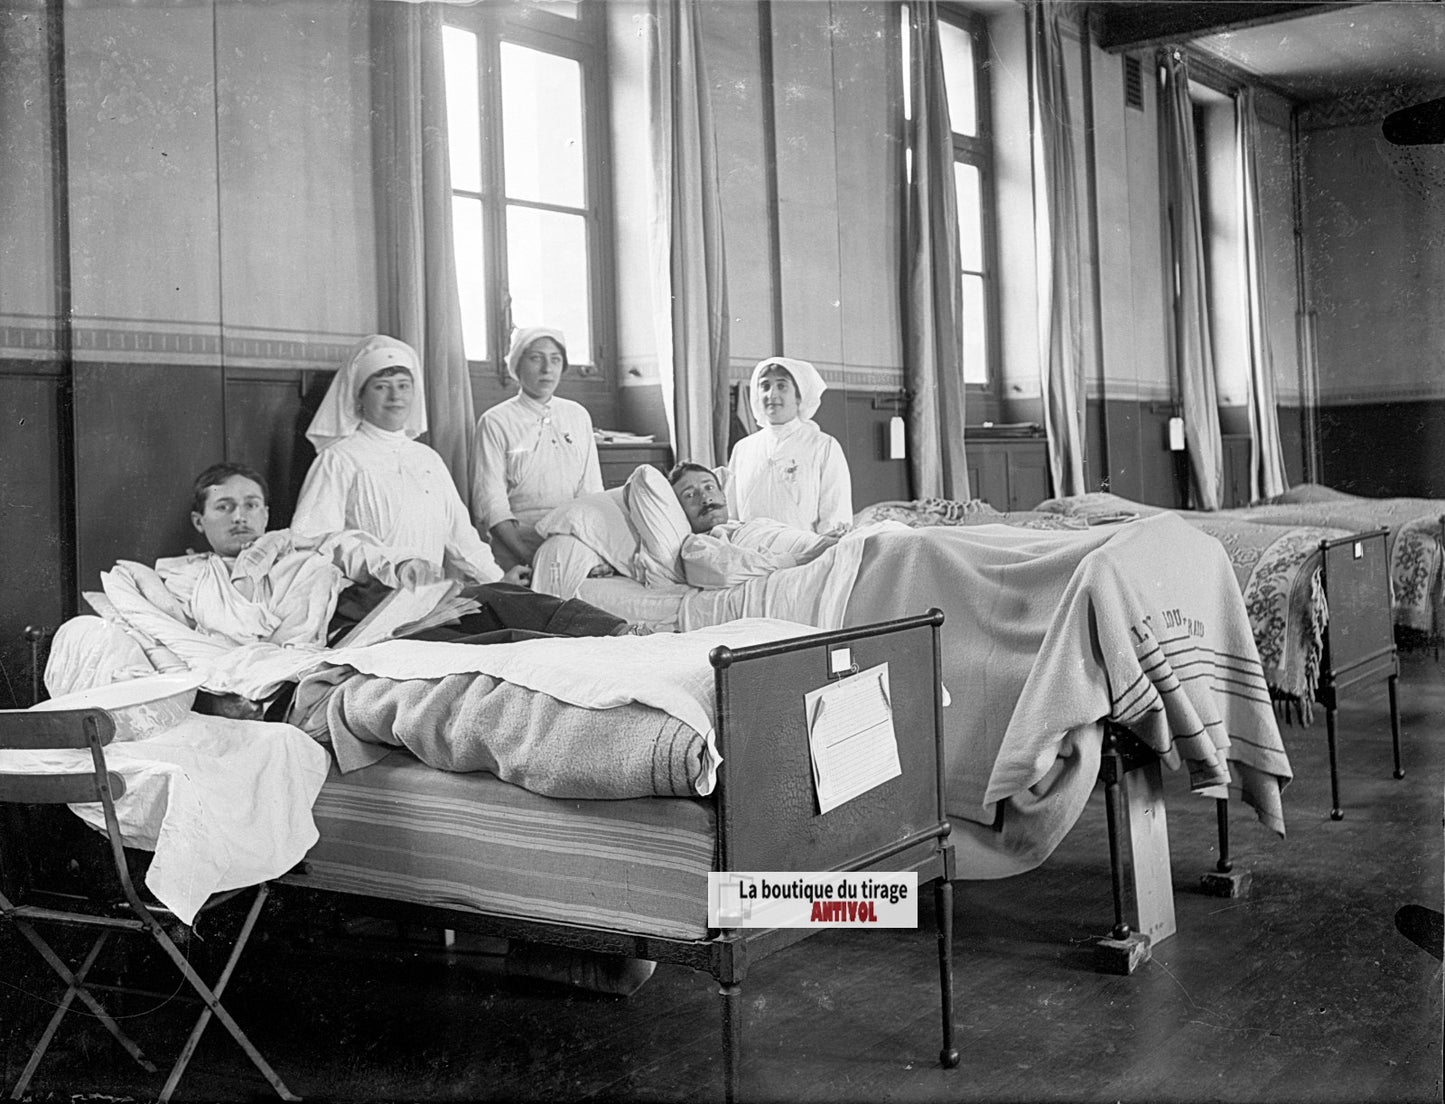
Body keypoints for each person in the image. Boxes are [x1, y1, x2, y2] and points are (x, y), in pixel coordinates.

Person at [292, 334, 511, 587]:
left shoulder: (428, 458)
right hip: (364, 600)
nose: (395, 396)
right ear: (359, 397)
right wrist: (385, 565)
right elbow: (312, 539)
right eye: (382, 387)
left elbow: (461, 536)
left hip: (427, 598)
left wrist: (498, 580)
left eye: (403, 385)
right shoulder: (338, 460)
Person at [471, 327, 603, 571]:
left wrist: (584, 551)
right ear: (518, 365)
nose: (547, 369)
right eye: (536, 358)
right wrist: (530, 557)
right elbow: (492, 504)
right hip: (516, 547)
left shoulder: (577, 415)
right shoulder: (495, 421)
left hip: (572, 543)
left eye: (555, 359)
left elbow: (591, 493)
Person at [627, 462, 838, 589]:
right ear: (680, 511)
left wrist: (828, 540)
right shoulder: (697, 545)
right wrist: (804, 556)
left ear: (723, 496)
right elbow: (724, 570)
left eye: (709, 487)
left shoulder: (754, 524)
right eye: (690, 495)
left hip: (829, 547)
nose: (705, 498)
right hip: (819, 561)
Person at [726, 356, 853, 535]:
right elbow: (732, 515)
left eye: (781, 386)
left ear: (799, 396)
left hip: (806, 555)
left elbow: (834, 516)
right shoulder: (743, 449)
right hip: (751, 555)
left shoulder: (823, 446)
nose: (771, 395)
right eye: (765, 386)